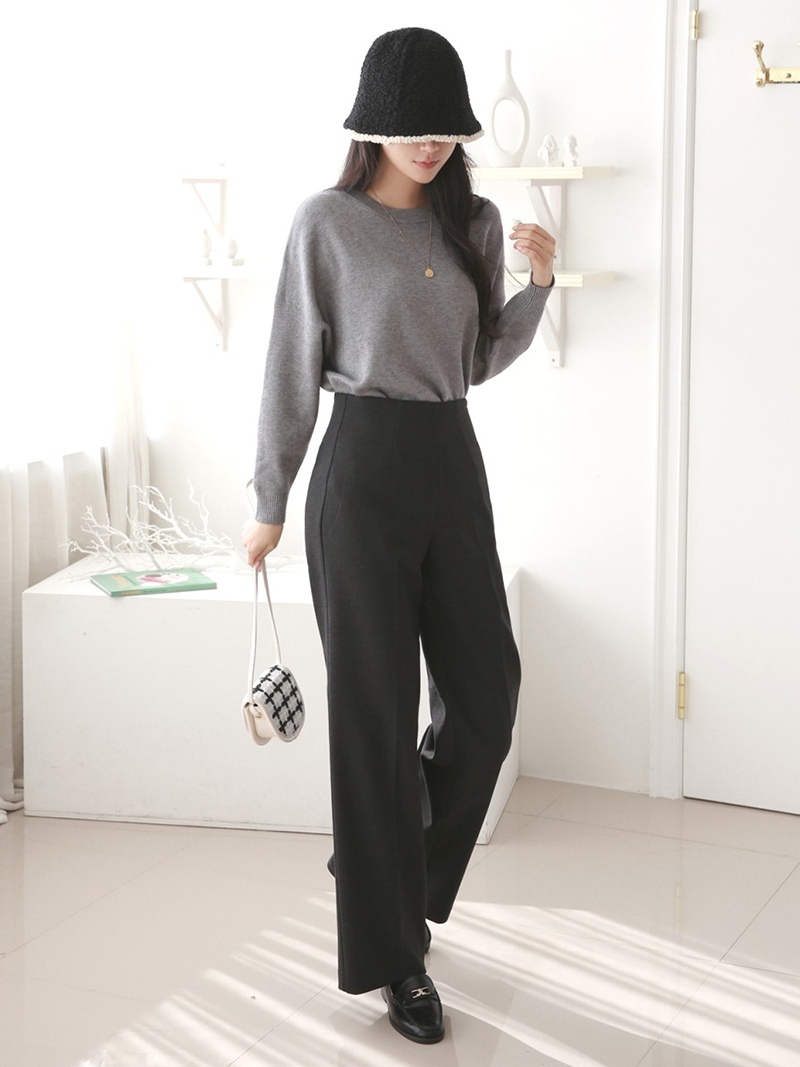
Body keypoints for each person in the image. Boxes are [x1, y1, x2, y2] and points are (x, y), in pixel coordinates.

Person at [241, 26, 555, 1045]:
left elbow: (478, 357)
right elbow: (290, 362)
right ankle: (397, 960)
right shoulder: (325, 224)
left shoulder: (473, 223)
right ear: (371, 126)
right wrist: (269, 497)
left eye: (445, 129)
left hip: (449, 465)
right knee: (372, 720)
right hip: (360, 475)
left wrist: (537, 289)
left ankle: (386, 858)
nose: (429, 144)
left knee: (487, 700)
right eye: (411, 127)